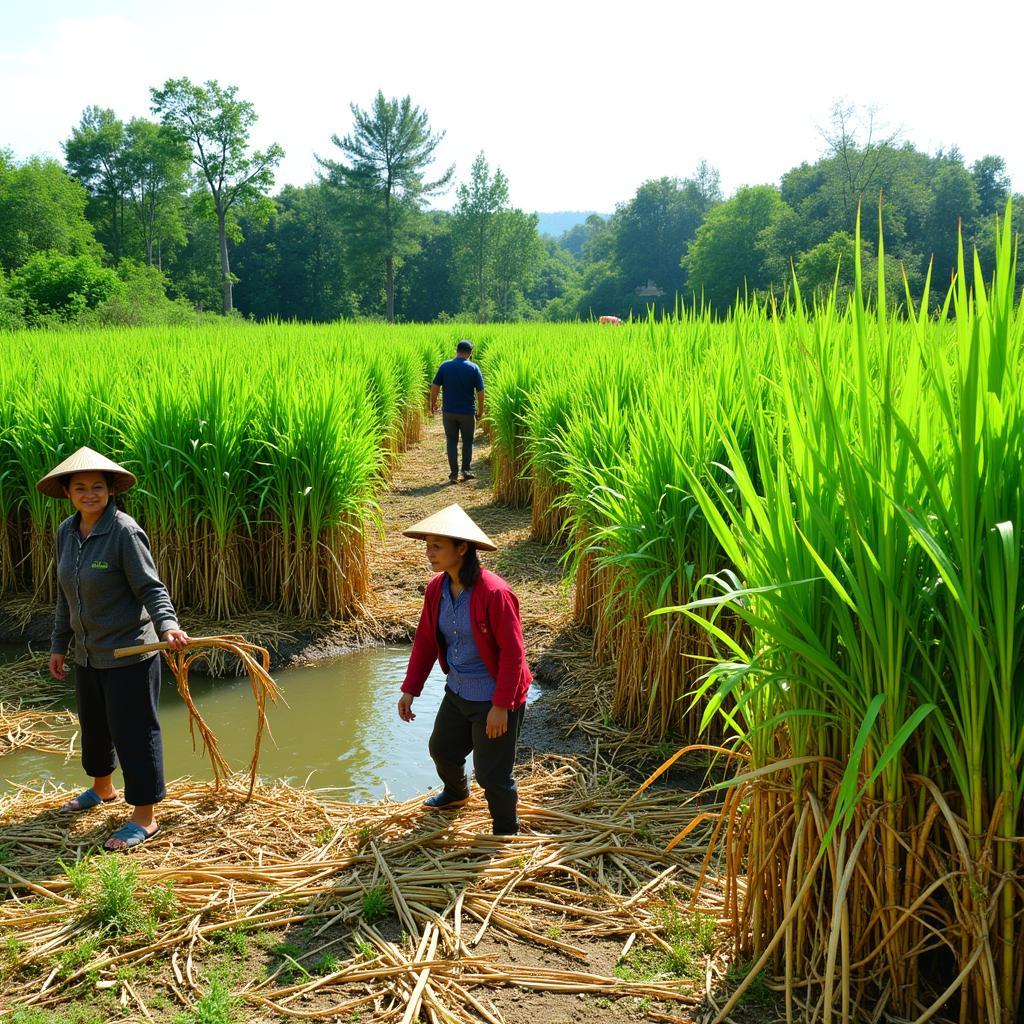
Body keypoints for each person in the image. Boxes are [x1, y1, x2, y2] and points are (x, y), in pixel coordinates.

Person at [39, 446, 189, 850]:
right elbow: (64, 596)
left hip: (130, 654)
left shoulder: (124, 531)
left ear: (110, 491)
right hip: (88, 653)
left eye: (98, 488)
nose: (90, 494)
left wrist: (169, 625)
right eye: (81, 488)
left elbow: (151, 588)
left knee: (136, 733)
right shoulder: (66, 533)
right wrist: (59, 646)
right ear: (68, 492)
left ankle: (144, 815)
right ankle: (102, 789)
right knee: (96, 725)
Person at [397, 503, 531, 836]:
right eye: (428, 545)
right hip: (457, 690)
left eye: (437, 546)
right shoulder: (436, 589)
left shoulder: (494, 593)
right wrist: (410, 689)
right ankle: (456, 793)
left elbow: (514, 655)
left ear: (462, 548)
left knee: (491, 774)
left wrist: (501, 707)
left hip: (494, 696)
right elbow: (426, 641)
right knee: (442, 749)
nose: (429, 553)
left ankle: (505, 831)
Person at [431, 340, 485, 483]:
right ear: (470, 353)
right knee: (467, 441)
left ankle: (453, 474)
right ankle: (466, 470)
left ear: (456, 350)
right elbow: (480, 391)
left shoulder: (445, 366)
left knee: (451, 441)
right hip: (467, 412)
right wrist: (481, 409)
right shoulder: (474, 368)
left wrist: (433, 403)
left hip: (449, 412)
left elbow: (435, 386)